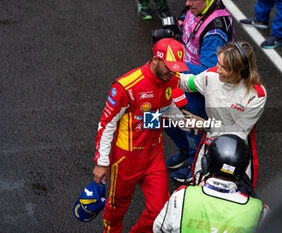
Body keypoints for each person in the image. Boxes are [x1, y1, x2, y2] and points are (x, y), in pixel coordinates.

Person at [92, 38, 189, 233]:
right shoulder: (126, 86)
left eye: (175, 67)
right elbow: (106, 123)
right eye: (168, 66)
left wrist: (190, 124)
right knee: (117, 207)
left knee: (161, 209)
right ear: (155, 59)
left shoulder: (171, 78)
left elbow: (163, 109)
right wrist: (102, 162)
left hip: (154, 154)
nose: (172, 71)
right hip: (127, 159)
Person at [180, 41, 267, 195]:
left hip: (236, 154)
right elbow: (188, 83)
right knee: (199, 193)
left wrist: (206, 125)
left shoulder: (256, 94)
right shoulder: (211, 76)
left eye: (224, 68)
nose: (218, 69)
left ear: (241, 70)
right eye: (218, 63)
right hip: (208, 147)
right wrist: (165, 73)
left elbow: (238, 133)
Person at [164, 0, 235, 183]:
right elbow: (187, 16)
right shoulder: (197, 8)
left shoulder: (214, 33)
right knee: (167, 119)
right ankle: (185, 152)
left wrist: (175, 66)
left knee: (194, 130)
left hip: (198, 90)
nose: (187, 3)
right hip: (182, 78)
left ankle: (195, 165)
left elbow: (210, 73)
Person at [153, 134, 270, 233]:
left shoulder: (181, 196)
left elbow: (159, 229)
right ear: (242, 170)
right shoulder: (260, 210)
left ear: (205, 164)